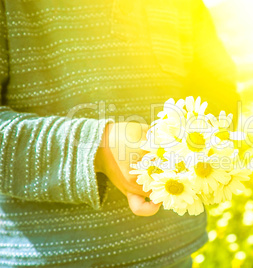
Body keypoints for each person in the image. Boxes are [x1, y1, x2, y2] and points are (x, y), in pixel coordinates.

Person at [0, 0, 238, 267]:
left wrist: (200, 141)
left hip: (173, 249)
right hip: (52, 256)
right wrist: (98, 148)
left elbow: (218, 86)